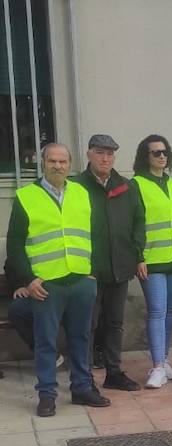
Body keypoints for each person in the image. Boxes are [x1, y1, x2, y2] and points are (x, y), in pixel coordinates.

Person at [5, 142, 111, 417]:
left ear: (70, 164)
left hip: (81, 280)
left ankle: (81, 388)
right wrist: (28, 279)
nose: (58, 166)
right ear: (43, 163)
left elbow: (96, 235)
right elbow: (15, 245)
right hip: (46, 285)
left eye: (63, 162)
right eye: (52, 161)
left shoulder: (82, 193)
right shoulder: (26, 196)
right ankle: (47, 394)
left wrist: (93, 273)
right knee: (46, 341)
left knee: (80, 337)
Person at [76, 133, 145, 391]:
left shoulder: (127, 186)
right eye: (99, 153)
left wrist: (137, 253)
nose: (105, 158)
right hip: (89, 270)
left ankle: (114, 373)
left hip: (121, 266)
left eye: (110, 154)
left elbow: (139, 221)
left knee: (115, 323)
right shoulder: (77, 186)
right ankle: (84, 379)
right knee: (88, 325)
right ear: (89, 155)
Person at [133, 134, 172, 389]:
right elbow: (134, 224)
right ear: (145, 156)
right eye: (155, 152)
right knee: (157, 312)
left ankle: (165, 359)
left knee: (170, 312)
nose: (161, 156)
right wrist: (138, 257)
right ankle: (157, 366)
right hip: (152, 259)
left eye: (164, 152)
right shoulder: (136, 184)